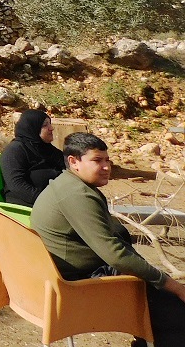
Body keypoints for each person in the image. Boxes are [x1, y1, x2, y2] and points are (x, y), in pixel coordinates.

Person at [32, 132, 185, 347]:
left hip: (63, 275)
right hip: (79, 284)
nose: (106, 167)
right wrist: (172, 285)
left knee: (165, 308)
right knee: (176, 312)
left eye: (107, 160)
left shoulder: (64, 184)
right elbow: (115, 255)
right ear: (74, 162)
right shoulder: (78, 195)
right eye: (97, 160)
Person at [0, 109, 64, 206]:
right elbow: (17, 185)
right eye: (45, 125)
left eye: (49, 123)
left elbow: (67, 166)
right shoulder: (14, 151)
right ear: (33, 128)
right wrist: (47, 201)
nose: (51, 128)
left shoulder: (45, 148)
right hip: (28, 204)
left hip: (54, 201)